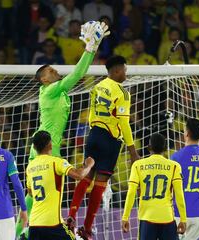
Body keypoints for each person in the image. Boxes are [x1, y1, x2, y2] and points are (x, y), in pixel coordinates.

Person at [16, 21, 110, 239]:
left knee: (38, 200)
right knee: (36, 202)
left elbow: (76, 76)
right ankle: (22, 234)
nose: (55, 70)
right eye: (50, 70)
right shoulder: (49, 91)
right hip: (45, 150)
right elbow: (77, 75)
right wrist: (90, 49)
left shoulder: (55, 92)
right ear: (43, 79)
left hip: (49, 148)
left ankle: (24, 235)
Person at [67, 55, 140, 240]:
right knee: (99, 185)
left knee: (85, 177)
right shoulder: (122, 93)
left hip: (93, 135)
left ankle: (71, 215)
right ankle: (87, 228)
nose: (126, 73)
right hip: (110, 139)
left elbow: (91, 113)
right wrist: (133, 151)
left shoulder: (96, 87)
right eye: (125, 70)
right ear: (116, 71)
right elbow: (124, 124)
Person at [26, 130, 95, 239]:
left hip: (34, 224)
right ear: (50, 145)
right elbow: (79, 175)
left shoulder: (30, 167)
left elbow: (30, 192)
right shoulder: (56, 162)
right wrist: (89, 165)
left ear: (34, 147)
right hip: (52, 224)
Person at [122, 133, 187, 240]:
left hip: (147, 218)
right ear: (165, 148)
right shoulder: (175, 166)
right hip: (167, 218)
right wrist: (183, 219)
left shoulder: (138, 165)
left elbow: (131, 192)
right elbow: (179, 195)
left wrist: (125, 217)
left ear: (148, 147)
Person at [171, 118, 199, 239]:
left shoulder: (176, 157)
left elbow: (170, 187)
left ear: (187, 134)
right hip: (198, 213)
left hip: (178, 213)